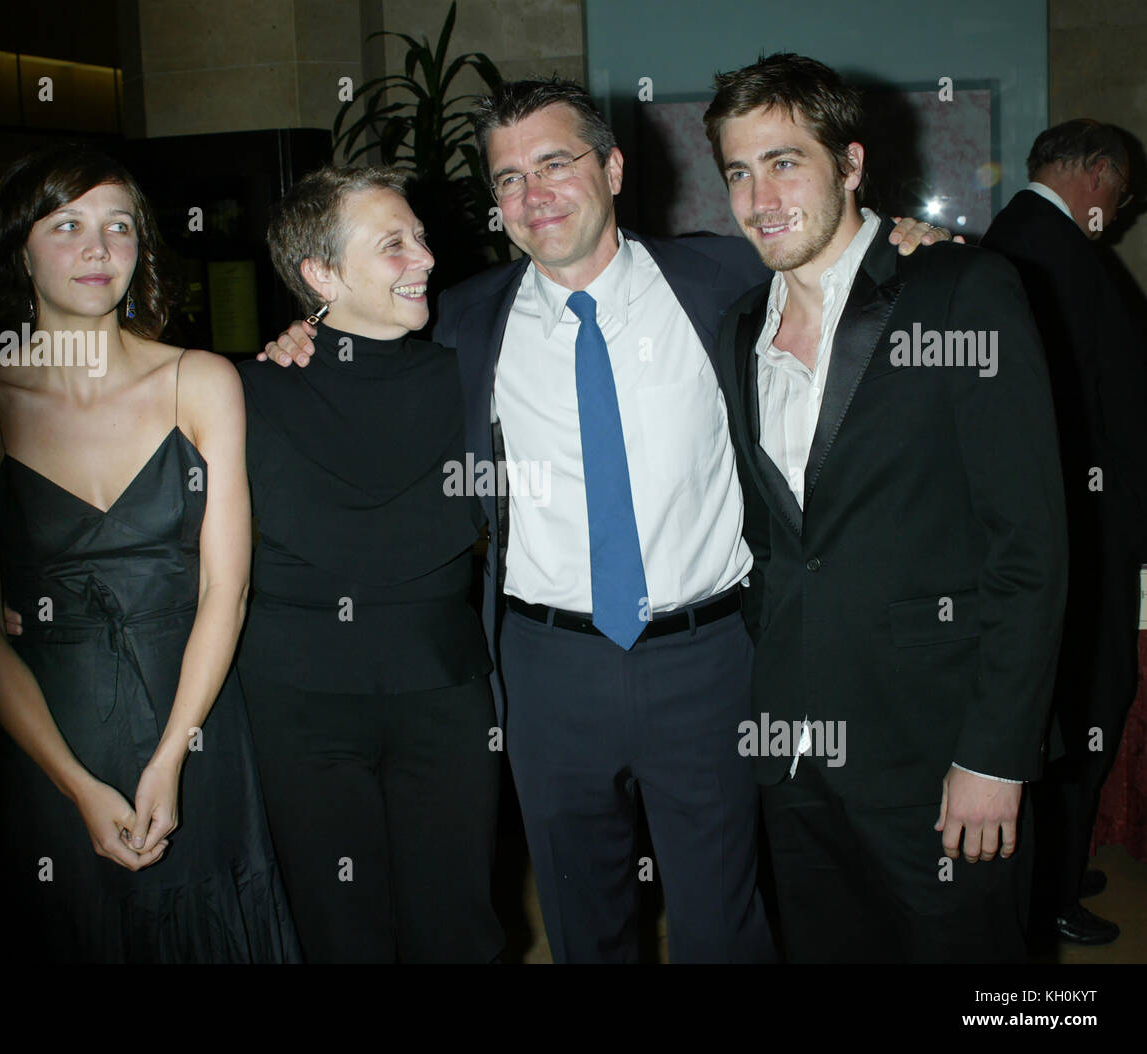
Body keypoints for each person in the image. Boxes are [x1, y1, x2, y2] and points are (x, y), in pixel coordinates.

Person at [263, 78, 948, 963]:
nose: (532, 193)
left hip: (711, 662)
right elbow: (361, 346)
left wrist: (908, 239)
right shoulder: (461, 320)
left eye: (555, 163)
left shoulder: (726, 279)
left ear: (615, 167)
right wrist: (303, 336)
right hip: (545, 673)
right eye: (508, 178)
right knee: (583, 924)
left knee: (723, 922)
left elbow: (843, 257)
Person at [705, 52, 1067, 962]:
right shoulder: (739, 326)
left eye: (786, 161)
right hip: (795, 758)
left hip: (939, 757)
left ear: (853, 165)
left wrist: (994, 756)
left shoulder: (960, 291)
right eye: (739, 172)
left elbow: (1030, 548)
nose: (760, 196)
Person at [0, 143, 300, 962]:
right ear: (19, 248)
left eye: (119, 227)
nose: (98, 249)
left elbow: (224, 590)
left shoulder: (202, 381)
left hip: (196, 725)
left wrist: (173, 757)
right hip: (51, 742)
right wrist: (75, 785)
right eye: (67, 225)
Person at [235, 165, 502, 962]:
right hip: (296, 705)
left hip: (445, 692)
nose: (423, 256)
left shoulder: (476, 365)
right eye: (393, 244)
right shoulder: (243, 390)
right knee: (335, 931)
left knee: (458, 925)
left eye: (420, 237)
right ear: (321, 273)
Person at [982, 119, 1147, 946]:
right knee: (1084, 702)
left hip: (1082, 528)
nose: (1119, 213)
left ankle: (1056, 863)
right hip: (1078, 537)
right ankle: (1046, 889)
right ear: (1095, 171)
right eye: (1119, 193)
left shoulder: (1030, 239)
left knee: (1086, 703)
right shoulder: (1042, 248)